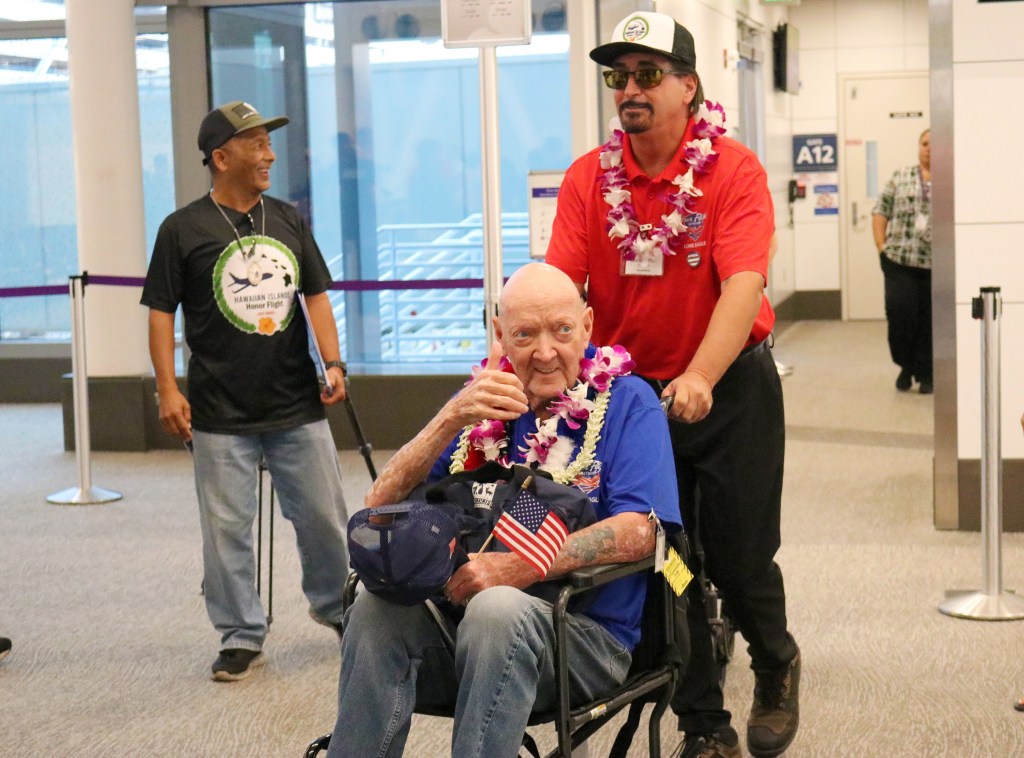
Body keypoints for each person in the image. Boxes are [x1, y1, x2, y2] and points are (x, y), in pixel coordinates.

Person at [545, 12, 800, 758]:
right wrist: (530, 352)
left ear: (688, 86)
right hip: (632, 403)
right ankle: (704, 723)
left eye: (648, 74)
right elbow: (560, 286)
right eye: (618, 76)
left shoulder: (733, 172)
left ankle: (776, 662)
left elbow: (744, 284)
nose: (630, 89)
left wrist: (701, 374)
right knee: (669, 560)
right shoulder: (588, 180)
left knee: (742, 559)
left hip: (728, 390)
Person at [326, 262, 681, 757]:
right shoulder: (482, 403)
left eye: (561, 330)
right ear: (500, 335)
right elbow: (378, 505)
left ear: (587, 326)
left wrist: (520, 566)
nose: (545, 351)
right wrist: (450, 417)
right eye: (524, 334)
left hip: (583, 635)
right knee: (373, 608)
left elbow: (642, 532)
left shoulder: (629, 401)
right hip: (459, 626)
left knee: (497, 609)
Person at [140, 101, 350, 682]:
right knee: (226, 530)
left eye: (268, 143)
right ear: (221, 157)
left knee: (324, 519)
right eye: (256, 144)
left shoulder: (287, 219)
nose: (270, 155)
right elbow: (160, 313)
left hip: (296, 401)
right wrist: (166, 389)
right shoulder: (181, 229)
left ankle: (340, 608)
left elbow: (315, 296)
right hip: (217, 409)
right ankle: (239, 633)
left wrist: (333, 362)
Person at [872, 129, 933, 394]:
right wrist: (881, 247)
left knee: (928, 321)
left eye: (934, 144)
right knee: (900, 317)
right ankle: (905, 365)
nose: (929, 148)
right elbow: (880, 211)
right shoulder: (900, 176)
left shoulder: (950, 177)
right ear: (918, 147)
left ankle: (926, 372)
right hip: (899, 262)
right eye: (925, 143)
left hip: (935, 266)